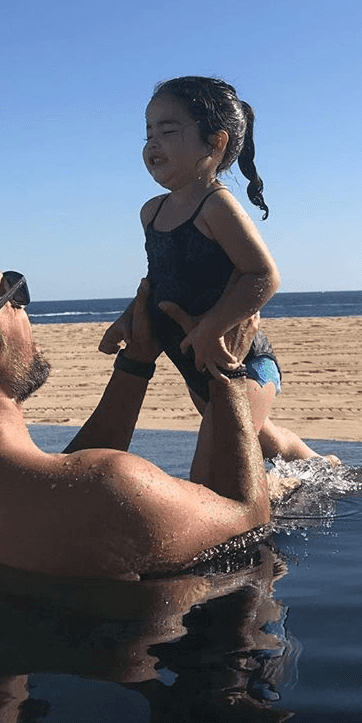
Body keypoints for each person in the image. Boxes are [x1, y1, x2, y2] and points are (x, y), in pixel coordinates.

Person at [0, 238, 274, 580]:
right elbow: (249, 520)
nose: (25, 306)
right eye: (12, 293)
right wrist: (227, 373)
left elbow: (60, 490)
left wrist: (137, 359)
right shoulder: (115, 490)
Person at [99, 75, 327, 462]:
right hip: (194, 364)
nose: (153, 142)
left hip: (243, 361)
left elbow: (263, 275)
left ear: (215, 142)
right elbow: (158, 281)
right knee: (257, 438)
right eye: (148, 132)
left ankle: (302, 473)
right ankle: (317, 466)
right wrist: (125, 321)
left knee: (223, 448)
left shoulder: (216, 206)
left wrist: (212, 327)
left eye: (168, 130)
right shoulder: (151, 212)